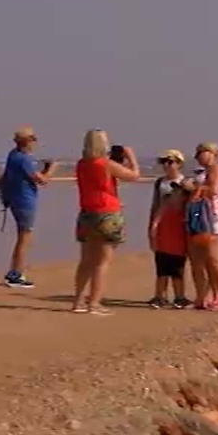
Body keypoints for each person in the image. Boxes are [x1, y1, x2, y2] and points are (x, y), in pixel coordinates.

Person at [71, 130, 140, 315]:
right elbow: (134, 175)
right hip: (107, 212)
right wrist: (131, 156)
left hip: (87, 212)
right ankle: (94, 302)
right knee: (102, 262)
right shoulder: (105, 164)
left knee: (86, 260)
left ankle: (78, 301)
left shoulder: (82, 164)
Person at [0, 127, 55, 288]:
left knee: (23, 236)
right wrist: (51, 169)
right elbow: (42, 180)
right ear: (28, 141)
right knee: (25, 238)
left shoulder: (13, 155)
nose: (35, 143)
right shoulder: (24, 159)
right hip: (24, 200)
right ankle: (15, 274)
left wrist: (44, 170)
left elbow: (31, 177)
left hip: (17, 199)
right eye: (33, 139)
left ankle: (15, 272)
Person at [186, 142, 218, 311]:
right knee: (201, 259)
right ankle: (204, 298)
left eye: (201, 153)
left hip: (214, 217)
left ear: (211, 153)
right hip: (202, 216)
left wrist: (193, 187)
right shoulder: (205, 171)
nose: (198, 157)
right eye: (197, 154)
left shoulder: (217, 169)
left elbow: (214, 189)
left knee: (213, 259)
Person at [147, 149, 191, 309]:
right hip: (162, 225)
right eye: (163, 161)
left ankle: (180, 296)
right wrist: (151, 227)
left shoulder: (186, 182)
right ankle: (159, 296)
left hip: (179, 226)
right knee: (161, 261)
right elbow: (155, 205)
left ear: (179, 163)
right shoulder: (160, 183)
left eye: (170, 161)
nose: (166, 165)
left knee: (178, 262)